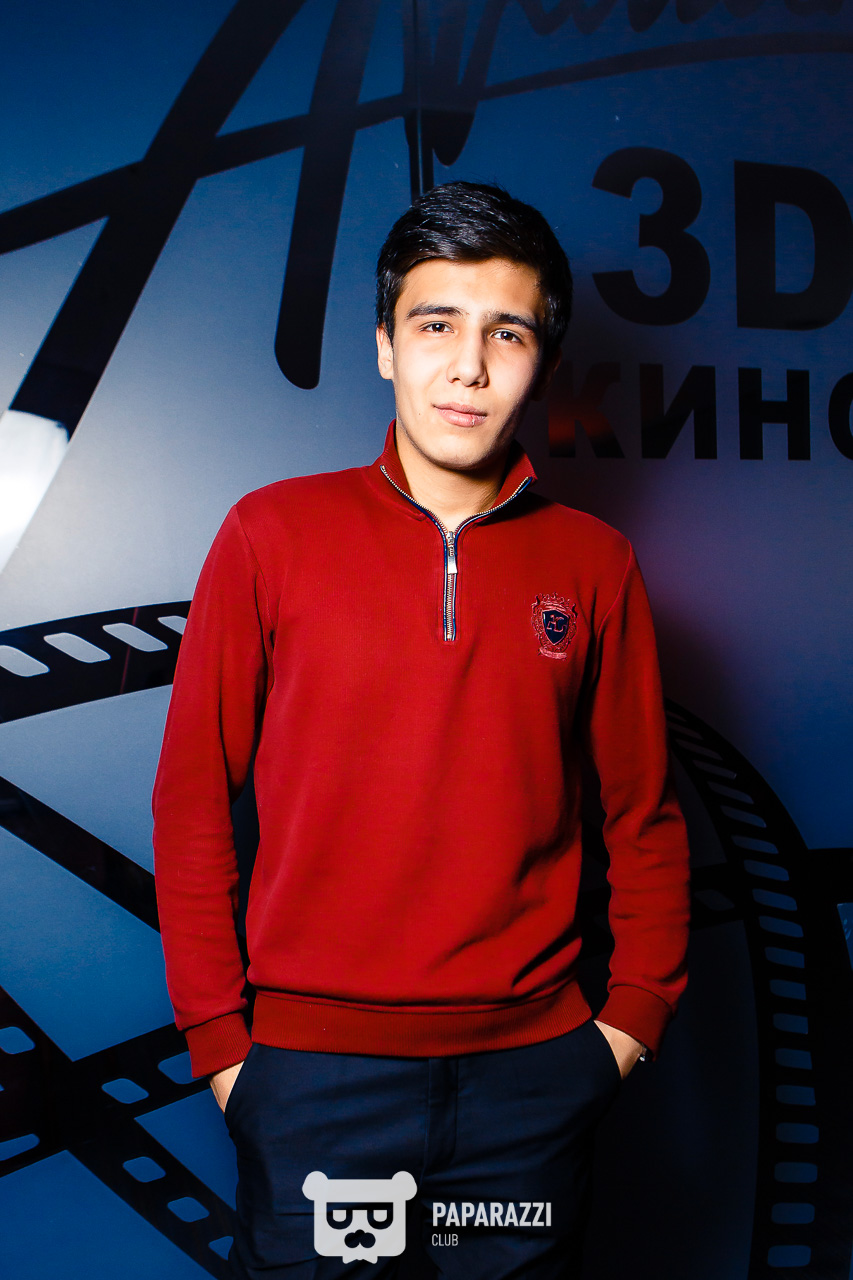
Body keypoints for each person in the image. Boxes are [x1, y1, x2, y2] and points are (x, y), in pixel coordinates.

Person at [152, 181, 691, 1279]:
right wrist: (224, 1049)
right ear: (385, 346)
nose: (470, 366)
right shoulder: (268, 532)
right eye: (436, 324)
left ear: (542, 360)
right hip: (313, 1085)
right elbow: (194, 798)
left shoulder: (594, 562)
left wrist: (628, 1024)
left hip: (533, 1086)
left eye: (508, 333)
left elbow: (642, 812)